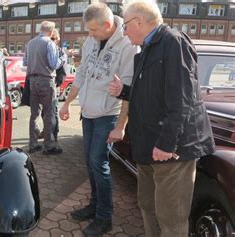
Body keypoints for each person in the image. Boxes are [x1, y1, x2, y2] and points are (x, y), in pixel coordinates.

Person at [108, 1, 215, 236]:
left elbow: (183, 98)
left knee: (171, 216)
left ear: (139, 22)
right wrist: (124, 91)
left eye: (125, 25)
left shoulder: (173, 42)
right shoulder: (146, 49)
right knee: (148, 206)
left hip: (170, 151)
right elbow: (152, 93)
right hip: (148, 148)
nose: (124, 31)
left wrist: (167, 144)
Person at [59, 3, 137, 236]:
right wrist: (66, 103)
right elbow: (81, 74)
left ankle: (105, 217)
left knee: (98, 163)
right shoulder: (91, 41)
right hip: (89, 113)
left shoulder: (127, 46)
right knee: (89, 161)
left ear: (107, 24)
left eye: (93, 30)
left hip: (108, 115)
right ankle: (94, 206)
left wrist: (121, 125)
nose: (89, 35)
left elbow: (128, 89)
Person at [23, 20, 67, 155]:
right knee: (48, 114)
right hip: (46, 81)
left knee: (34, 114)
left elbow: (25, 62)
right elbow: (54, 64)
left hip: (32, 81)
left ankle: (33, 144)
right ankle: (48, 146)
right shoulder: (49, 43)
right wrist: (64, 57)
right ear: (51, 31)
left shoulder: (30, 43)